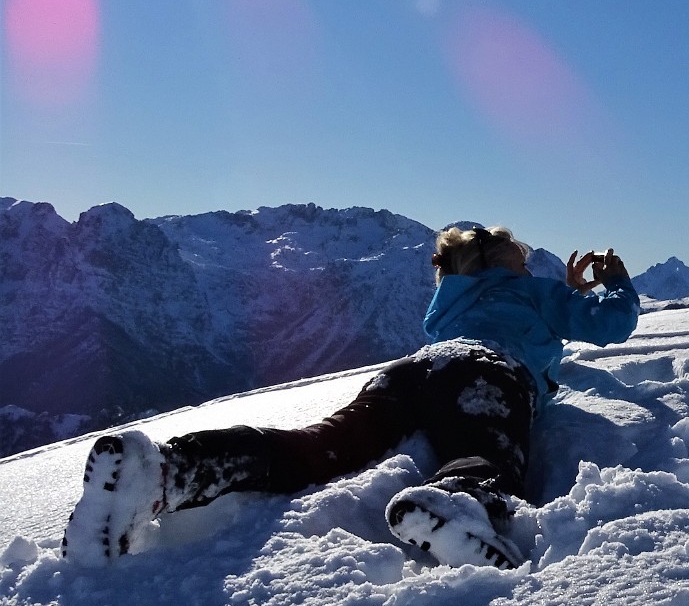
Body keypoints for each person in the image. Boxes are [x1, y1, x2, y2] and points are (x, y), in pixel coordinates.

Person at [63, 226, 640, 570]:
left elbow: (497, 318)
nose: (530, 261)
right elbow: (611, 325)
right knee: (487, 448)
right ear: (505, 263)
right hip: (487, 373)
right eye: (522, 255)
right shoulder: (533, 290)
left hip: (413, 371)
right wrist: (611, 285)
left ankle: (166, 470)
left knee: (316, 446)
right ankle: (463, 499)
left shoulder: (453, 301)